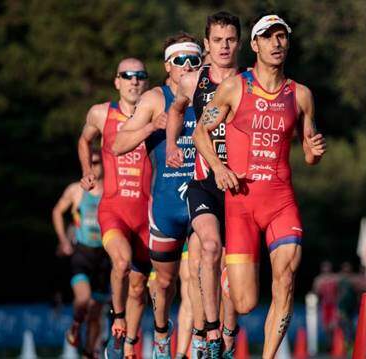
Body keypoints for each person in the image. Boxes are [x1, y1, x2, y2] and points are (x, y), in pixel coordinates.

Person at [192, 14, 327, 358]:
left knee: (285, 276)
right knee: (246, 302)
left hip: (281, 202)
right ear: (254, 45)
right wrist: (219, 167)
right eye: (268, 37)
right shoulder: (235, 87)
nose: (277, 43)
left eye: (282, 37)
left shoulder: (301, 95)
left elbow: (310, 153)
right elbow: (200, 132)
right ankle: (226, 286)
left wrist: (313, 153)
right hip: (242, 205)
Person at [112, 33, 201, 359]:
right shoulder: (153, 99)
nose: (188, 66)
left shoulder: (211, 94)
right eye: (181, 60)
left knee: (198, 275)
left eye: (195, 59)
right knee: (164, 284)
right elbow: (118, 144)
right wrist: (152, 128)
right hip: (165, 206)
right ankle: (162, 332)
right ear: (168, 65)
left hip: (202, 200)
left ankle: (196, 347)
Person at [165, 11, 243, 358]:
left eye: (230, 40)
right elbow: (178, 111)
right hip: (204, 182)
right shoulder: (193, 81)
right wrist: (170, 144)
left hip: (242, 186)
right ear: (207, 44)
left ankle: (228, 333)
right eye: (217, 41)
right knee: (209, 248)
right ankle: (211, 334)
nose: (224, 46)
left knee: (235, 272)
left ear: (239, 43)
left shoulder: (250, 80)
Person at [78, 58, 152, 358]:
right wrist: (87, 170)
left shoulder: (156, 112)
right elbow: (84, 141)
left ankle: (129, 346)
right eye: (128, 76)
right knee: (120, 263)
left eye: (140, 76)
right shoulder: (100, 113)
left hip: (147, 216)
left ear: (146, 82)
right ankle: (117, 318)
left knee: (139, 286)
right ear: (117, 81)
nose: (134, 81)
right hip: (114, 211)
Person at [52, 150, 109, 358]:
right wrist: (63, 240)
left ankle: (87, 352)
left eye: (97, 162)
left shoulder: (111, 190)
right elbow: (57, 211)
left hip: (103, 257)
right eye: (90, 162)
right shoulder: (76, 190)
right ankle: (75, 325)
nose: (94, 166)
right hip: (81, 254)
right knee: (83, 299)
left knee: (95, 314)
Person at [312, 261, 339, 345]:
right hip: (324, 304)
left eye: (328, 267)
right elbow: (315, 292)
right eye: (325, 267)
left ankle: (334, 342)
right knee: (326, 326)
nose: (326, 269)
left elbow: (340, 290)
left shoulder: (335, 278)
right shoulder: (319, 280)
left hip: (333, 304)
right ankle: (329, 343)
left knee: (333, 325)